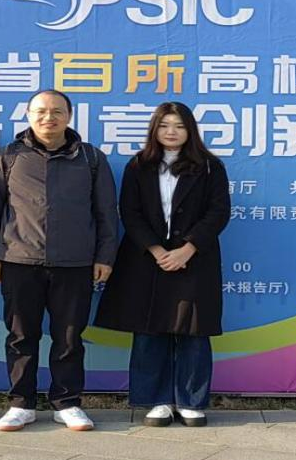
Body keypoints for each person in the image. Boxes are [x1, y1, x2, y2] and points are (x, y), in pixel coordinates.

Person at [0, 89, 118, 431]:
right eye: (40, 111)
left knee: (69, 338)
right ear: (28, 115)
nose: (48, 117)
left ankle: (67, 402)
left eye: (56, 111)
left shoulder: (90, 158)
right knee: (20, 336)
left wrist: (105, 256)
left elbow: (106, 212)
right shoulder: (7, 157)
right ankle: (20, 403)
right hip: (19, 260)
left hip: (75, 262)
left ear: (69, 116)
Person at [95, 102, 230, 427]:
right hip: (147, 259)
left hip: (194, 259)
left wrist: (187, 249)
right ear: (154, 129)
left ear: (190, 131)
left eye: (179, 126)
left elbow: (218, 212)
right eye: (165, 125)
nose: (171, 132)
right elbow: (130, 212)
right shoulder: (139, 165)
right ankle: (157, 400)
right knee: (149, 329)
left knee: (193, 331)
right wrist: (156, 250)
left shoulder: (209, 166)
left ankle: (191, 401)